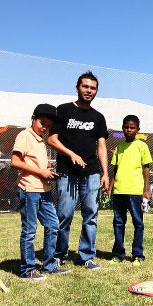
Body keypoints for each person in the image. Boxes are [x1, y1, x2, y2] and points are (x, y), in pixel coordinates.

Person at [46, 71, 109, 271]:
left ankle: (87, 256)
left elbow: (101, 147)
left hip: (91, 173)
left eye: (93, 88)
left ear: (96, 91)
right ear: (77, 88)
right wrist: (70, 154)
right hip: (67, 173)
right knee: (64, 214)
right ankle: (58, 255)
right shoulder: (63, 111)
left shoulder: (98, 117)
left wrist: (105, 173)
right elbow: (52, 139)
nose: (89, 91)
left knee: (91, 215)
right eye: (85, 87)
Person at [10, 104, 69, 280]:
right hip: (29, 190)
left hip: (44, 190)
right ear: (33, 119)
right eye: (42, 123)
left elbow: (34, 164)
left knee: (53, 225)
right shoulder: (25, 135)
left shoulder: (40, 140)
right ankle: (27, 269)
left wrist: (47, 171)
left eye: (49, 126)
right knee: (29, 230)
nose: (45, 128)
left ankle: (49, 265)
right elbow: (15, 161)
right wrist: (40, 172)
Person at [108, 115, 152, 265]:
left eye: (132, 127)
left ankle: (138, 254)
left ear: (138, 129)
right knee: (118, 223)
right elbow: (116, 168)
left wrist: (146, 190)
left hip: (135, 191)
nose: (129, 130)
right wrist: (111, 186)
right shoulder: (119, 147)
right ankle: (118, 254)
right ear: (122, 128)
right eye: (126, 127)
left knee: (138, 223)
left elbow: (146, 168)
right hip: (119, 191)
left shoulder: (142, 146)